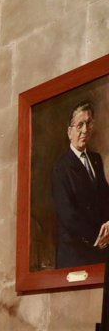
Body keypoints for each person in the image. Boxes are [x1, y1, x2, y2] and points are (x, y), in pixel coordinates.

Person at [52, 101, 109, 268]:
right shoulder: (61, 168)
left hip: (99, 249)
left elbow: (105, 197)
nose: (85, 130)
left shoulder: (96, 159)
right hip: (75, 256)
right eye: (80, 125)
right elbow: (68, 216)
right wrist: (98, 238)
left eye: (88, 123)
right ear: (69, 132)